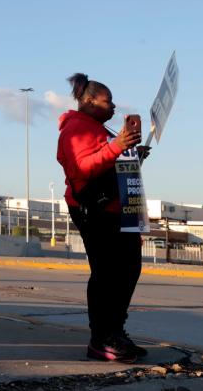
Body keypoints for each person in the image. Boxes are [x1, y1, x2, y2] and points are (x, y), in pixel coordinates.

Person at [57, 73, 150, 363]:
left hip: (118, 209)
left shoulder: (98, 127)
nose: (113, 107)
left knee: (129, 269)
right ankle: (101, 339)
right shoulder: (75, 129)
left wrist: (132, 154)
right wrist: (117, 146)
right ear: (88, 101)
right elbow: (81, 169)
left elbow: (107, 161)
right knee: (107, 274)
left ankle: (115, 332)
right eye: (107, 101)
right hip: (95, 211)